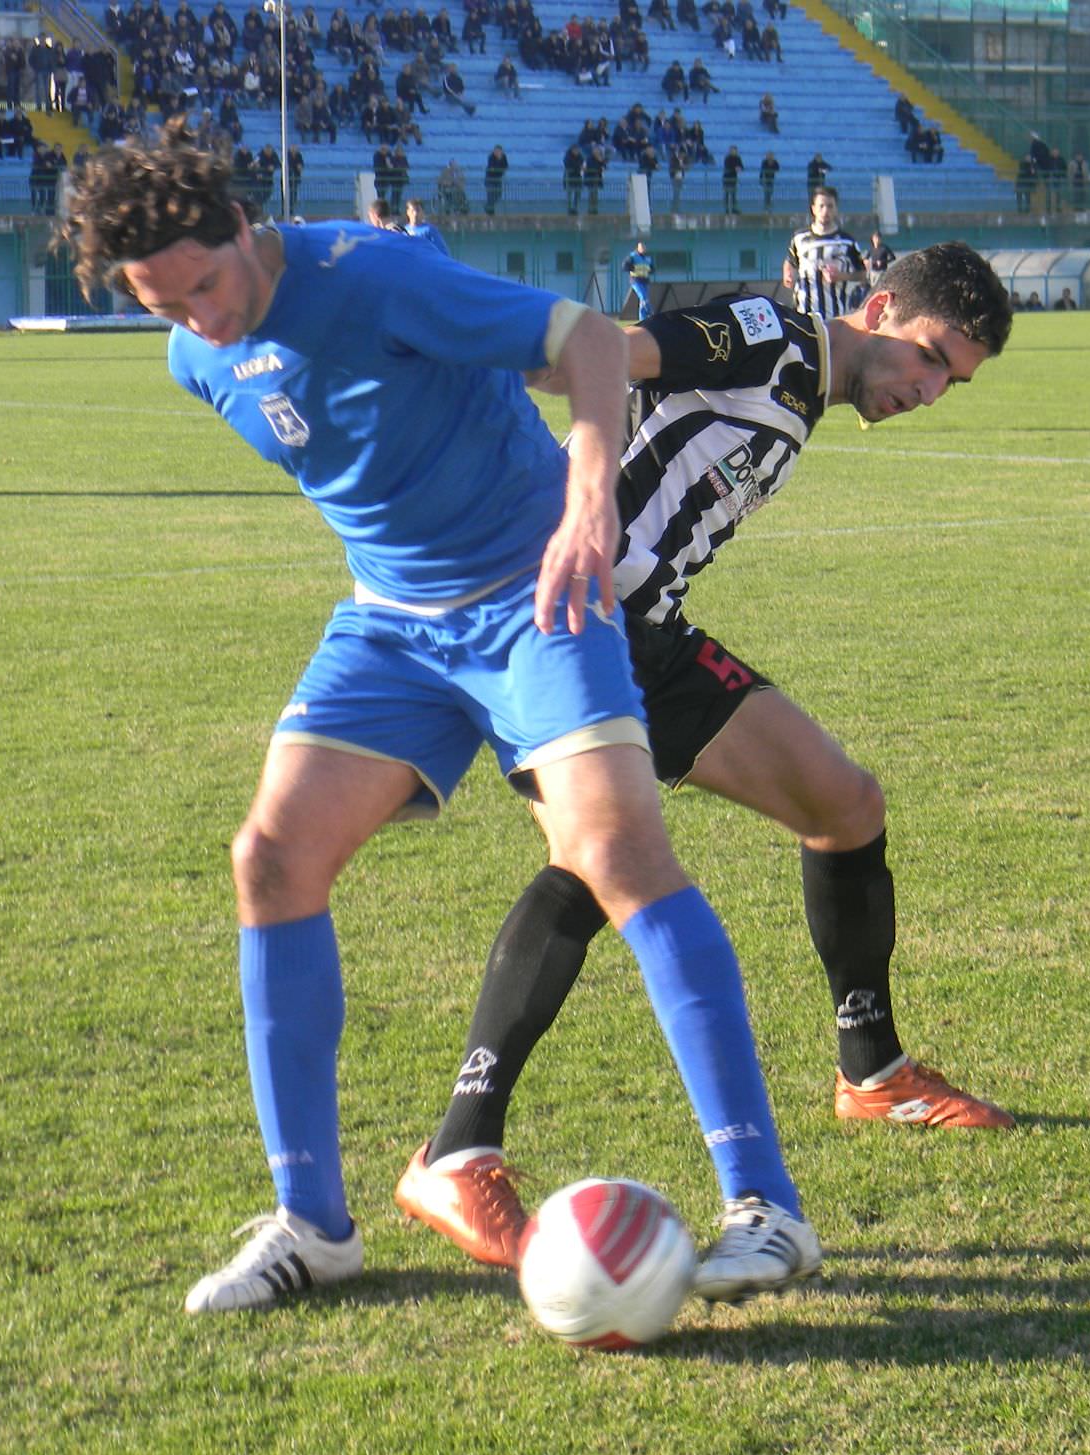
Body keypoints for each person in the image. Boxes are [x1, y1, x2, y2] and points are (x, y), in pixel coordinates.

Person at [63, 123, 820, 1315]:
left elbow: (583, 342)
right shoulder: (194, 359)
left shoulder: (372, 276)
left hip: (537, 596)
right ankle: (312, 1227)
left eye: (204, 285)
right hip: (392, 625)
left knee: (615, 856)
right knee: (269, 855)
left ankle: (764, 1209)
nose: (197, 318)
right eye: (162, 304)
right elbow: (360, 462)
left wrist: (585, 504)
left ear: (246, 231)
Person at [398, 244, 1016, 1272]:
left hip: (651, 634)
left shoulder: (805, 385)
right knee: (596, 863)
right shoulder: (767, 337)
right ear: (878, 309)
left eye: (952, 379)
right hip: (565, 616)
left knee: (844, 805)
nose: (930, 389)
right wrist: (465, 371)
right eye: (930, 358)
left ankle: (872, 1072)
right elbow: (602, 352)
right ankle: (457, 1148)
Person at [782, 184, 863, 319]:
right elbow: (790, 261)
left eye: (830, 206)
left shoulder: (847, 242)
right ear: (813, 209)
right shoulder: (799, 238)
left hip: (835, 317)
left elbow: (863, 275)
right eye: (821, 206)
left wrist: (841, 276)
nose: (825, 211)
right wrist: (787, 274)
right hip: (803, 316)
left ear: (836, 209)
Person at [620, 238, 653, 320]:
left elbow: (652, 268)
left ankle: (643, 319)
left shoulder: (647, 258)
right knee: (643, 297)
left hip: (645, 280)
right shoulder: (633, 256)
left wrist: (649, 270)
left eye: (644, 247)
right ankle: (651, 314)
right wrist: (633, 268)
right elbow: (624, 266)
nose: (643, 249)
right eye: (641, 247)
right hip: (636, 280)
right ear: (638, 248)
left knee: (643, 300)